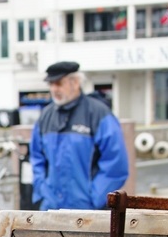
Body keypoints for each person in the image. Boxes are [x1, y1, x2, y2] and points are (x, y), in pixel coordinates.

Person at [30, 61, 129, 210]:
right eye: (51, 84)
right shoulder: (45, 117)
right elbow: (37, 158)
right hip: (51, 209)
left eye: (58, 83)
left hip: (89, 213)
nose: (53, 89)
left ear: (75, 83)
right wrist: (43, 192)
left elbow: (116, 165)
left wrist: (94, 199)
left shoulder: (99, 114)